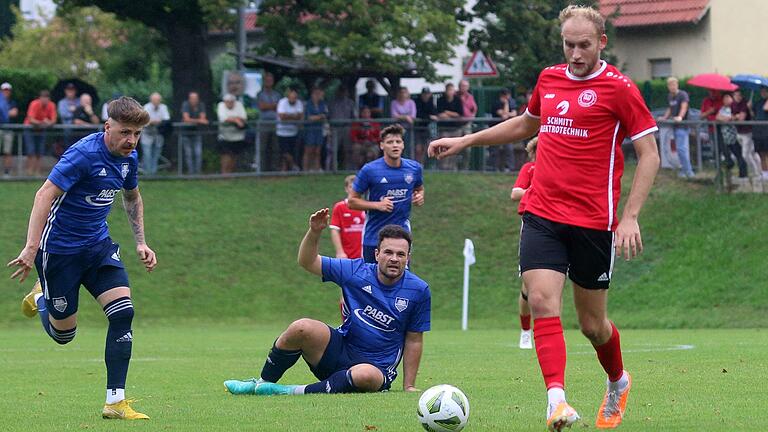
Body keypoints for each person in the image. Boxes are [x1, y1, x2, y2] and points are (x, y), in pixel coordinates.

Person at [428, 5, 659, 430]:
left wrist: (630, 217)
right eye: (568, 44)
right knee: (539, 300)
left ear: (601, 42)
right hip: (543, 212)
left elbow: (649, 154)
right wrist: (467, 139)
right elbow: (524, 124)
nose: (575, 53)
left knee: (593, 325)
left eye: (584, 45)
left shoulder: (620, 88)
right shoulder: (549, 78)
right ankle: (557, 402)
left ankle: (617, 381)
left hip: (593, 221)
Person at [8, 97, 156, 420]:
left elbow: (132, 197)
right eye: (124, 132)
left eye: (137, 134)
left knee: (123, 313)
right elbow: (43, 194)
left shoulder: (129, 159)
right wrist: (31, 248)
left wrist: (141, 243)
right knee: (64, 336)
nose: (131, 140)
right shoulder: (83, 155)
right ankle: (42, 295)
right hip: (59, 252)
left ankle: (115, 402)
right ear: (107, 127)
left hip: (98, 247)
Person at [223, 211, 430, 396]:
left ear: (408, 258)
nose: (394, 258)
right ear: (377, 254)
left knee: (364, 374)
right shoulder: (355, 271)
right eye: (388, 252)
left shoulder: (418, 290)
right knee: (301, 327)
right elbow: (307, 262)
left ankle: (289, 391)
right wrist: (314, 232)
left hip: (375, 370)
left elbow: (414, 340)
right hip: (338, 352)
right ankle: (260, 385)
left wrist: (409, 386)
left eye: (400, 254)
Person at [348, 124, 425, 263]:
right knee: (371, 281)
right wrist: (378, 205)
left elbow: (419, 188)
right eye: (390, 142)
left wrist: (419, 196)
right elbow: (352, 201)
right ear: (382, 145)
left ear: (403, 145)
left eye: (398, 141)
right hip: (373, 238)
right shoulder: (370, 170)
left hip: (402, 238)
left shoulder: (414, 168)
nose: (395, 145)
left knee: (400, 281)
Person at [510, 137, 537, 350]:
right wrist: (537, 192)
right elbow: (515, 193)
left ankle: (549, 330)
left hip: (562, 224)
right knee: (528, 284)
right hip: (532, 224)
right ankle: (526, 331)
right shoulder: (529, 169)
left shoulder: (561, 167)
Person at [330, 175, 366, 319]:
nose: (354, 190)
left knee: (366, 292)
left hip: (365, 257)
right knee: (345, 293)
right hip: (348, 257)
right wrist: (340, 252)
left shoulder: (366, 206)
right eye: (351, 187)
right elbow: (334, 229)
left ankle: (364, 325)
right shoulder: (340, 207)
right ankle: (346, 324)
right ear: (346, 189)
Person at [658, 77, 693, 178]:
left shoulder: (682, 94)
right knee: (679, 149)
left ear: (677, 85)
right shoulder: (670, 96)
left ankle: (689, 172)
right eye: (670, 85)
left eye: (674, 84)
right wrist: (665, 117)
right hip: (675, 126)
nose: (672, 87)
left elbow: (684, 106)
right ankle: (684, 170)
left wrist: (680, 117)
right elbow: (670, 108)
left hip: (683, 125)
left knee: (682, 149)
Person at [731, 90, 762, 187]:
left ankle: (756, 173)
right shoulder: (733, 104)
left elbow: (741, 119)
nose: (739, 97)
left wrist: (735, 117)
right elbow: (731, 117)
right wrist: (735, 116)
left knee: (745, 155)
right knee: (752, 153)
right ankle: (759, 171)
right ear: (733, 96)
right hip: (739, 132)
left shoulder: (744, 104)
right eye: (736, 95)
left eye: (740, 95)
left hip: (747, 132)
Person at [24, 90, 58, 176]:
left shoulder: (51, 105)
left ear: (49, 99)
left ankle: (37, 172)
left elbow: (53, 120)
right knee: (30, 150)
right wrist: (42, 122)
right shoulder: (34, 104)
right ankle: (29, 171)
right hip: (30, 128)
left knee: (40, 151)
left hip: (42, 129)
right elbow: (31, 119)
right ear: (40, 98)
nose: (44, 100)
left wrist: (47, 123)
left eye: (46, 98)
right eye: (43, 98)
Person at [716, 93, 747, 181]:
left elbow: (738, 117)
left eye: (728, 98)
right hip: (725, 137)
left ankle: (743, 175)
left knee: (740, 156)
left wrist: (728, 118)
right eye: (724, 98)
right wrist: (729, 118)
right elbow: (718, 117)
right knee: (728, 158)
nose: (726, 100)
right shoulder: (722, 108)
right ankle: (727, 177)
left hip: (735, 137)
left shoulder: (736, 107)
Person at [216, 93, 248, 174]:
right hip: (225, 136)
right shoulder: (221, 105)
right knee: (226, 156)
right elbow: (223, 118)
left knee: (234, 156)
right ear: (225, 101)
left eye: (231, 102)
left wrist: (232, 118)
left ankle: (231, 174)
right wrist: (236, 120)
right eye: (228, 102)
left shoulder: (239, 105)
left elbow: (244, 118)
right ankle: (224, 174)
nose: (230, 103)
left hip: (238, 136)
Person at [256, 72, 281, 171]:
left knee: (275, 147)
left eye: (270, 80)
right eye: (267, 80)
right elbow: (262, 106)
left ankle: (274, 169)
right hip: (264, 123)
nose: (269, 82)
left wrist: (268, 106)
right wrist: (273, 105)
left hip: (276, 123)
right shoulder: (260, 94)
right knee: (263, 147)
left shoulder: (277, 94)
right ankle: (262, 169)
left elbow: (279, 107)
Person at [436, 83, 464, 170]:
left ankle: (453, 167)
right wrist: (452, 114)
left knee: (454, 148)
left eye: (451, 90)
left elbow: (459, 114)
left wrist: (447, 113)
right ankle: (443, 167)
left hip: (455, 128)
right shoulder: (440, 100)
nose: (449, 92)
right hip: (444, 128)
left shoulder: (458, 100)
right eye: (448, 90)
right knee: (444, 148)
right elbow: (440, 114)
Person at [141, 92, 171, 175]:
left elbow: (166, 119)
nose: (156, 102)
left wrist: (155, 122)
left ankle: (153, 173)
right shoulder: (146, 107)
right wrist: (153, 122)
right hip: (147, 134)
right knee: (147, 154)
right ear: (151, 100)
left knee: (156, 153)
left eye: (158, 100)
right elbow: (144, 121)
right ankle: (147, 173)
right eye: (155, 100)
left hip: (158, 134)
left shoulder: (163, 107)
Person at [328, 86, 357, 169]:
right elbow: (328, 115)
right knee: (333, 149)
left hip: (347, 127)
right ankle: (332, 168)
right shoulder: (332, 103)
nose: (342, 93)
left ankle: (348, 167)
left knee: (348, 149)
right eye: (341, 91)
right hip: (335, 128)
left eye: (344, 91)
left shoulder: (350, 103)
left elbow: (354, 116)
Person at [489, 88, 518, 171]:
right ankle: (494, 168)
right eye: (506, 96)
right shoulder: (496, 103)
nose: (508, 98)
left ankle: (509, 167)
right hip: (496, 129)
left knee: (509, 149)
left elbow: (514, 113)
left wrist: (508, 110)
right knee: (495, 149)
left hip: (507, 130)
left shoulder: (511, 102)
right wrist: (506, 104)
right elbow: (504, 115)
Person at [276, 87, 304, 171]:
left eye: (295, 98)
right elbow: (282, 116)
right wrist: (294, 116)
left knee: (291, 152)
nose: (293, 100)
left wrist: (288, 116)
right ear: (288, 96)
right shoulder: (282, 102)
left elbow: (300, 116)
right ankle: (294, 166)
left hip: (293, 132)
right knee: (285, 152)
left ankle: (285, 170)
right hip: (282, 132)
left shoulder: (299, 103)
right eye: (292, 97)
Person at [181, 91, 209, 174]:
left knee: (198, 153)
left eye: (196, 98)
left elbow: (203, 118)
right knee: (188, 154)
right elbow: (186, 119)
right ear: (189, 99)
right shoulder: (185, 105)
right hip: (186, 133)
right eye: (192, 98)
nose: (194, 100)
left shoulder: (201, 105)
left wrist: (194, 120)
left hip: (197, 132)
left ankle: (198, 173)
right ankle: (191, 173)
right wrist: (199, 120)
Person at [303, 87, 328, 172]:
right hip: (310, 129)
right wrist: (320, 116)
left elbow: (325, 115)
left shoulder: (322, 104)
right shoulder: (308, 104)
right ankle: (306, 169)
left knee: (318, 151)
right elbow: (309, 118)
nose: (318, 96)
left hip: (319, 129)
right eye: (316, 94)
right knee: (309, 150)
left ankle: (316, 168)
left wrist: (319, 117)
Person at [414, 87, 438, 164]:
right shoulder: (417, 102)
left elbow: (434, 113)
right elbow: (418, 114)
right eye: (424, 94)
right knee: (417, 149)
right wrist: (429, 117)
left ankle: (421, 164)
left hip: (427, 129)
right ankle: (416, 164)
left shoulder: (430, 102)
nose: (425, 96)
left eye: (427, 94)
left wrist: (429, 116)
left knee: (425, 148)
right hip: (417, 128)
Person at [390, 86, 417, 152]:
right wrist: (406, 117)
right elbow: (394, 115)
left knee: (408, 147)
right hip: (397, 129)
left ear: (407, 93)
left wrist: (400, 116)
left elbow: (413, 115)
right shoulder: (394, 102)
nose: (402, 94)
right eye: (401, 92)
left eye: (404, 92)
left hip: (409, 128)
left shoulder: (411, 102)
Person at [1, 82, 19, 176]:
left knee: (7, 152)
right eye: (4, 90)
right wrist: (7, 112)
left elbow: (14, 113)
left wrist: (3, 113)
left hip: (8, 130)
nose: (6, 92)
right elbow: (10, 113)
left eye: (7, 90)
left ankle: (7, 172)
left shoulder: (12, 102)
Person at [58, 82, 81, 149]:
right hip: (68, 130)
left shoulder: (79, 101)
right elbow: (63, 115)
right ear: (65, 91)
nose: (70, 91)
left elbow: (82, 113)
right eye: (69, 90)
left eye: (72, 90)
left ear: (75, 91)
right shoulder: (62, 102)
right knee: (69, 148)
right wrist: (74, 112)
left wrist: (75, 110)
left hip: (80, 130)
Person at [753, 87, 768, 176]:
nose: (763, 93)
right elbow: (753, 114)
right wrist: (749, 107)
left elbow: (766, 108)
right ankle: (765, 175)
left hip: (767, 129)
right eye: (761, 91)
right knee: (761, 153)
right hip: (758, 130)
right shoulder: (758, 102)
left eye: (765, 91)